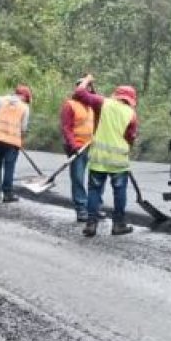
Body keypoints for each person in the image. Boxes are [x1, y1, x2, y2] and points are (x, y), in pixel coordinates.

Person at [72, 75, 138, 237]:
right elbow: (131, 137)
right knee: (119, 192)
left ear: (116, 95)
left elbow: (79, 93)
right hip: (119, 160)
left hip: (99, 158)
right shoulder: (131, 114)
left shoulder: (103, 103)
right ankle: (118, 225)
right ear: (130, 100)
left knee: (94, 190)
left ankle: (91, 225)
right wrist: (127, 149)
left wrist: (87, 80)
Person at [0, 85, 32, 203]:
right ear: (24, 97)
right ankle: (7, 193)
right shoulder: (24, 107)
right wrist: (21, 139)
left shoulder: (0, 100)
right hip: (12, 142)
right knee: (9, 167)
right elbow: (23, 127)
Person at [60, 76, 97, 222]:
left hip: (91, 146)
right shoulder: (70, 105)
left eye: (90, 88)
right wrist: (73, 145)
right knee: (78, 178)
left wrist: (92, 87)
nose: (88, 90)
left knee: (94, 180)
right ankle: (81, 209)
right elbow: (66, 128)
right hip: (77, 147)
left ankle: (93, 208)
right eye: (85, 87)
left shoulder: (92, 105)